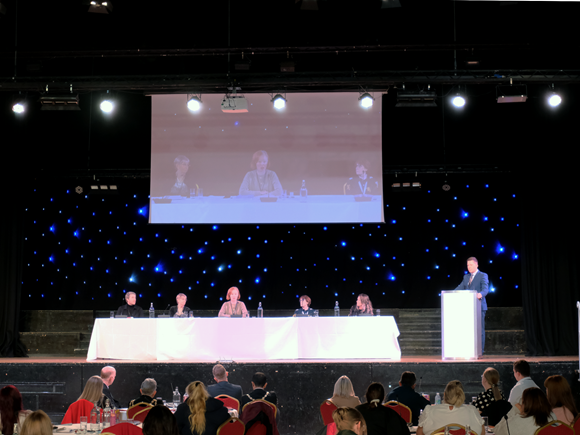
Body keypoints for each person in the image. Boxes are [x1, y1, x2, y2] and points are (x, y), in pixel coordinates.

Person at [417, 380, 484, 435]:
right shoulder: (472, 410)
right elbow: (482, 433)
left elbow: (419, 433)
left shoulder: (429, 410)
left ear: (444, 394)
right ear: (461, 395)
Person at [455, 257, 489, 353]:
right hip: (468, 308)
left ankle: (480, 351)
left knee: (479, 330)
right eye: (468, 265)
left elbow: (486, 289)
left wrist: (480, 294)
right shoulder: (466, 277)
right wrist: (451, 293)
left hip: (479, 307)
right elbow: (460, 287)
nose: (469, 267)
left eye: (471, 265)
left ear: (476, 265)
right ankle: (470, 350)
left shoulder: (483, 275)